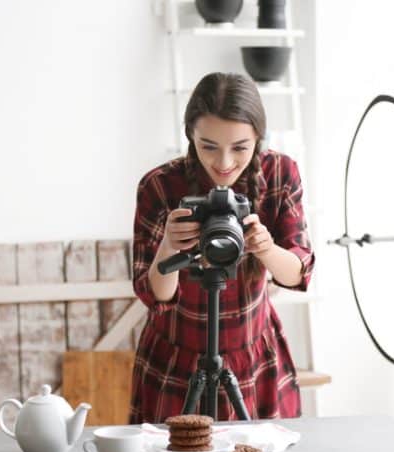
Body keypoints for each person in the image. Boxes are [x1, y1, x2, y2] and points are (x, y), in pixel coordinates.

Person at [129, 72, 315, 423]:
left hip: (254, 355)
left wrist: (265, 247)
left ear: (258, 137)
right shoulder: (160, 186)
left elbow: (298, 273)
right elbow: (156, 296)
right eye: (209, 146)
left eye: (240, 148)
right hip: (175, 359)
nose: (224, 163)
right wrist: (169, 248)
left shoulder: (279, 174)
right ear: (190, 136)